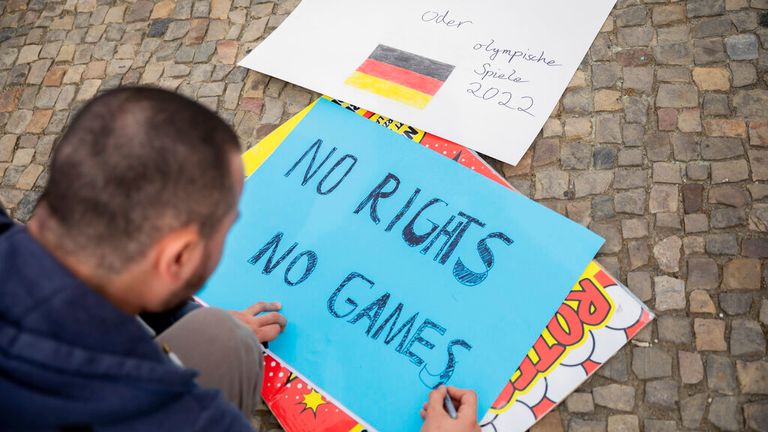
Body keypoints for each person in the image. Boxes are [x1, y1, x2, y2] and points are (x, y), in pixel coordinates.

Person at [0, 87, 480, 431]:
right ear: (179, 256)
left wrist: (183, 313)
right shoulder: (180, 416)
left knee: (220, 337)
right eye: (229, 224)